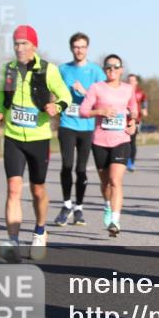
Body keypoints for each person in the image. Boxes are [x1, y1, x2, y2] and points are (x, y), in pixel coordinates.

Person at [0, 25, 72, 262]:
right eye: (16, 43)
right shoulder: (8, 69)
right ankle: (13, 241)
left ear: (34, 46)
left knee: (37, 190)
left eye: (24, 43)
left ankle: (39, 231)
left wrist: (57, 107)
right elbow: (1, 96)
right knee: (13, 188)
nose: (19, 48)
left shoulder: (49, 70)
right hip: (13, 136)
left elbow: (66, 96)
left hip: (39, 138)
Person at [80, 55, 138, 236]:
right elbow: (83, 111)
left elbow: (134, 109)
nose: (112, 69)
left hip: (121, 140)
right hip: (100, 141)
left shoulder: (128, 89)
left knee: (115, 180)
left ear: (121, 70)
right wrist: (100, 111)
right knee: (105, 183)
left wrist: (133, 122)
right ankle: (107, 205)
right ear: (104, 69)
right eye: (108, 67)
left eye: (116, 66)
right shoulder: (96, 88)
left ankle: (115, 220)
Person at [55, 32, 104, 227]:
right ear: (71, 48)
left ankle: (79, 208)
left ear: (87, 48)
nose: (79, 50)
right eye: (76, 47)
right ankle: (66, 205)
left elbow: (103, 99)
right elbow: (53, 92)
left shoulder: (96, 71)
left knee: (81, 169)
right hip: (67, 124)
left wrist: (85, 92)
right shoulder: (62, 70)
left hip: (87, 126)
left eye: (83, 47)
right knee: (67, 165)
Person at [126, 73, 149, 171]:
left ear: (136, 82)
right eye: (129, 80)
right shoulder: (123, 91)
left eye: (133, 80)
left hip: (136, 119)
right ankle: (123, 160)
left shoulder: (140, 92)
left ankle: (131, 162)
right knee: (124, 141)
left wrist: (145, 109)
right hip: (123, 119)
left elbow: (145, 101)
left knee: (132, 140)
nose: (131, 82)